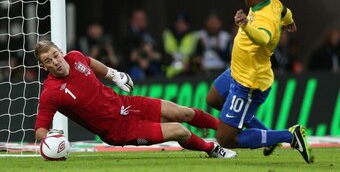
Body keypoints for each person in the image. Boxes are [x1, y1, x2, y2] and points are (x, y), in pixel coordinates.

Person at [34, 40, 236, 159]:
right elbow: (40, 129)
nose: (55, 62)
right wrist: (51, 138)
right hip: (118, 130)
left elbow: (89, 62)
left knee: (184, 112)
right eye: (48, 61)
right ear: (44, 67)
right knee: (179, 130)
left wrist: (114, 74)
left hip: (125, 104)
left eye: (55, 55)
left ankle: (231, 133)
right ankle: (212, 149)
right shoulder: (51, 92)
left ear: (61, 52)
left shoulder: (75, 57)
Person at [205, 0, 314, 163]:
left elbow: (264, 38)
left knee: (225, 138)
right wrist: (290, 21)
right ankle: (267, 136)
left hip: (249, 83)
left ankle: (290, 135)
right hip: (237, 71)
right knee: (214, 98)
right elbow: (285, 11)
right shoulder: (271, 2)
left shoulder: (263, 19)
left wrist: (246, 25)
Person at [123, 9, 162, 80]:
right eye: (139, 19)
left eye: (144, 19)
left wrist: (150, 54)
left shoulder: (148, 34)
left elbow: (159, 55)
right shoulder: (128, 35)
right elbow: (131, 56)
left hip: (151, 64)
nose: (143, 21)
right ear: (133, 20)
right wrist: (142, 52)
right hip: (134, 67)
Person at [161, 12, 199, 78]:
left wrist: (190, 65)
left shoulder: (193, 36)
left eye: (182, 23)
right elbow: (162, 55)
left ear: (187, 24)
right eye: (178, 23)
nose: (180, 25)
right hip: (168, 74)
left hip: (188, 73)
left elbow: (198, 57)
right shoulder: (167, 35)